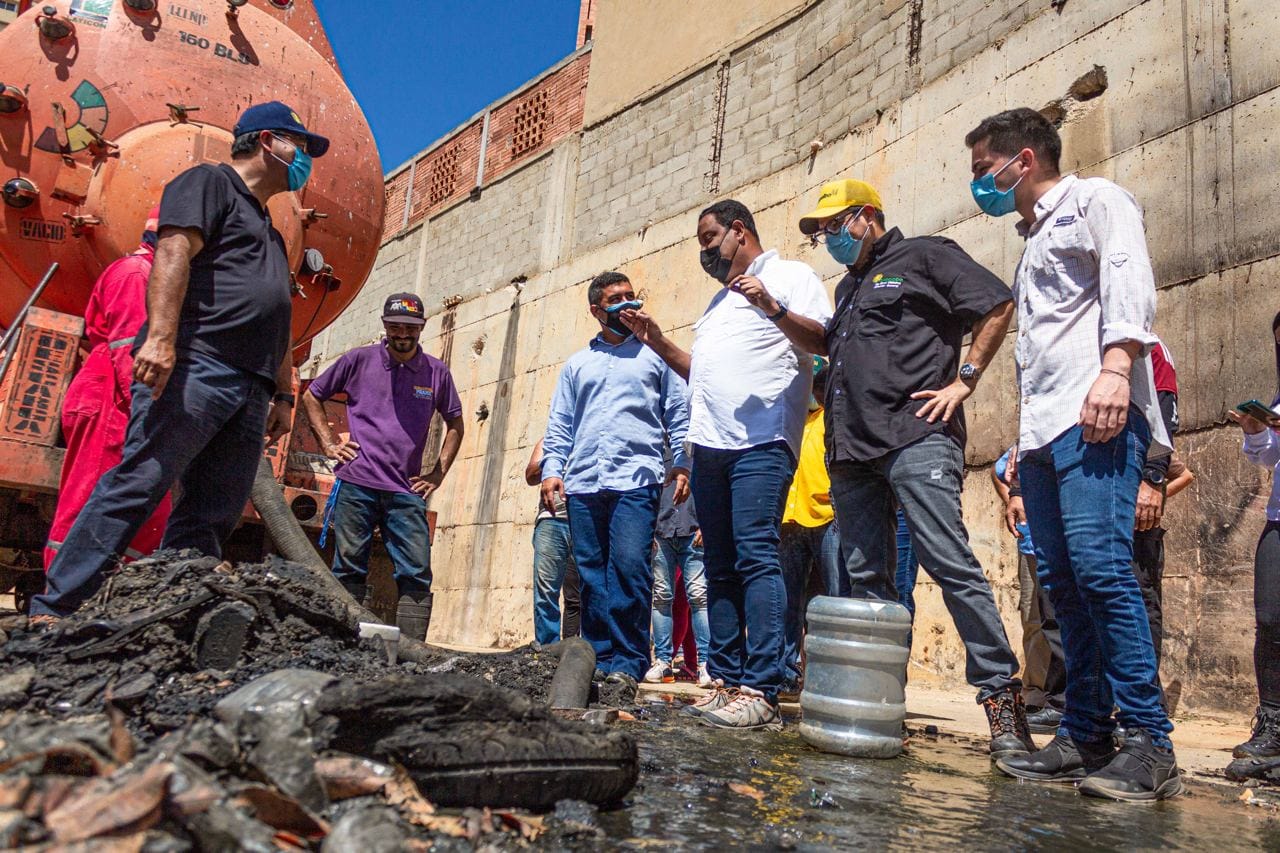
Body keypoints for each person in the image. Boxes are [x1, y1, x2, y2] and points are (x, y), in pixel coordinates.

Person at [31, 101, 327, 621]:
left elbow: (278, 320)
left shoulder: (273, 234)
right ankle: (56, 607)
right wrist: (162, 339)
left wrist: (282, 393)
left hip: (250, 387)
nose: (304, 158)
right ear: (265, 141)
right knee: (139, 481)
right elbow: (171, 256)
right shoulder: (208, 184)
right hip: (198, 364)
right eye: (298, 146)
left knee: (212, 510)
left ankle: (171, 615)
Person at [773, 178, 1032, 758]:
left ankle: (1002, 703)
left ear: (867, 217)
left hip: (917, 438)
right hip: (853, 455)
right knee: (869, 586)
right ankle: (876, 706)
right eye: (820, 233)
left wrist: (963, 382)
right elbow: (824, 344)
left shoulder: (925, 255)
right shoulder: (847, 289)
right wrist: (775, 311)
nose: (828, 238)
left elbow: (995, 303)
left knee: (951, 564)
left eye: (834, 226)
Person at [968, 107, 1181, 800]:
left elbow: (1128, 276)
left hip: (1096, 418)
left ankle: (1150, 742)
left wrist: (1118, 367)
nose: (981, 185)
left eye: (983, 171)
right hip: (1043, 434)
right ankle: (1085, 734)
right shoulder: (1032, 240)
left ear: (1022, 160)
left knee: (1101, 571)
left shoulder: (1097, 199)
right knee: (1064, 588)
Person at [623, 199, 832, 731]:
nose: (705, 252)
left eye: (709, 239)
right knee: (717, 564)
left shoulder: (790, 275)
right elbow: (702, 372)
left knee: (755, 555)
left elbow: (822, 341)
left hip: (762, 442)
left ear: (740, 231)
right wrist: (658, 342)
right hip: (709, 447)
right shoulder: (717, 304)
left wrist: (773, 308)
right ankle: (727, 679)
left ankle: (762, 687)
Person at [541, 271, 690, 694]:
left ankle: (628, 661)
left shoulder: (655, 357)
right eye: (616, 299)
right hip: (585, 482)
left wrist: (682, 465)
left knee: (629, 568)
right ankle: (600, 659)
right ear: (596, 310)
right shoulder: (577, 365)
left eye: (631, 297)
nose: (627, 305)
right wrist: (553, 470)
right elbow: (560, 425)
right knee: (590, 575)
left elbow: (678, 414)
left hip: (636, 480)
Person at [301, 292, 463, 641]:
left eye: (411, 326)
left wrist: (437, 474)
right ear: (385, 326)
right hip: (357, 483)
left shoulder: (436, 373)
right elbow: (312, 395)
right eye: (396, 326)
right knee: (348, 567)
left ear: (422, 327)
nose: (403, 333)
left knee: (416, 571)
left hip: (405, 490)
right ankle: (340, 645)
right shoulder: (358, 361)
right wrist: (329, 444)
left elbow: (456, 424)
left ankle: (413, 656)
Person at [43, 208, 172, 572]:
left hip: (122, 400)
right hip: (111, 400)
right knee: (89, 498)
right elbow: (133, 354)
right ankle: (61, 595)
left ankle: (111, 591)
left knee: (144, 509)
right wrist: (152, 412)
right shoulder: (136, 274)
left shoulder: (153, 276)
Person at [1225, 311, 1280, 782]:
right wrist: (1255, 430)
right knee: (1269, 621)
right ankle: (1273, 727)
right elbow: (1267, 459)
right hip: (1279, 520)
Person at [778, 356, 842, 698]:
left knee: (834, 597)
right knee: (788, 602)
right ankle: (787, 671)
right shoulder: (789, 424)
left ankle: (830, 673)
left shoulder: (830, 420)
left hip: (827, 517)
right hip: (790, 521)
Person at [993, 445, 1066, 734]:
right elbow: (998, 472)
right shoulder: (1025, 445)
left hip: (1064, 542)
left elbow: (1179, 472)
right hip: (1030, 545)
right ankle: (1035, 693)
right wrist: (1013, 500)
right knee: (1033, 617)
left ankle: (1064, 698)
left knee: (1064, 620)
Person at [1132, 341, 1194, 673]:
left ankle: (1147, 699)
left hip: (1139, 493)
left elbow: (1163, 416)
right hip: (1102, 492)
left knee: (1140, 595)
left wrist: (1153, 480)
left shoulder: (1152, 348)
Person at [645, 449, 711, 687]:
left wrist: (707, 525)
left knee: (698, 598)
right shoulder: (656, 450)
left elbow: (712, 489)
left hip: (692, 532)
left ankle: (705, 663)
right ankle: (663, 662)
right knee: (662, 597)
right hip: (662, 533)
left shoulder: (699, 449)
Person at [526, 438, 580, 645]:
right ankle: (548, 649)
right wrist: (551, 462)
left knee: (587, 592)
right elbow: (530, 476)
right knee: (546, 590)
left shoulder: (595, 431)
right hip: (551, 521)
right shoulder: (548, 440)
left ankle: (582, 651)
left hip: (585, 521)